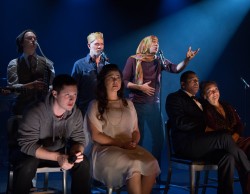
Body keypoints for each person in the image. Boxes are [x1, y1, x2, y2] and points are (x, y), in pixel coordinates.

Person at [165, 70, 250, 194]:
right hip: (187, 144)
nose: (196, 82)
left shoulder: (200, 102)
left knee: (227, 158)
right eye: (192, 80)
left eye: (197, 80)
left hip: (203, 145)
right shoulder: (174, 98)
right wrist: (204, 127)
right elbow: (180, 122)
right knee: (224, 137)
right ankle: (247, 168)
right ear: (183, 84)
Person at [122, 35, 199, 166]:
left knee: (159, 139)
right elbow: (123, 81)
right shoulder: (133, 60)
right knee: (137, 139)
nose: (156, 45)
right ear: (145, 44)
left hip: (153, 105)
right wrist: (140, 87)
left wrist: (186, 60)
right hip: (136, 105)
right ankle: (135, 170)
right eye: (153, 43)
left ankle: (153, 170)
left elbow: (175, 69)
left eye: (157, 43)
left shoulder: (159, 60)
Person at [85, 64, 160, 194]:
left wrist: (134, 142)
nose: (115, 81)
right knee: (134, 166)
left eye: (118, 77)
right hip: (105, 149)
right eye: (111, 77)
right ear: (103, 81)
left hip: (128, 147)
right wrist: (120, 144)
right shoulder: (95, 104)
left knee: (152, 163)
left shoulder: (128, 104)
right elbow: (96, 135)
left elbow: (136, 131)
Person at [12, 74, 91, 194]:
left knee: (83, 162)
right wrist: (58, 157)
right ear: (55, 94)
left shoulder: (76, 113)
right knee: (27, 164)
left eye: (74, 95)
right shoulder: (36, 112)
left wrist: (76, 153)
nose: (72, 99)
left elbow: (79, 139)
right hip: (32, 154)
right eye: (67, 95)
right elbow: (27, 145)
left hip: (58, 152)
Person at [200, 80, 250, 194]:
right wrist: (229, 140)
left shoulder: (227, 105)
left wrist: (236, 135)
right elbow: (212, 131)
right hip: (222, 145)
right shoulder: (205, 110)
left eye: (216, 89)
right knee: (241, 160)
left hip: (237, 140)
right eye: (210, 91)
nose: (214, 93)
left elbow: (239, 124)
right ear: (204, 95)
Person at [7, 29, 55, 116]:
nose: (33, 40)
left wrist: (50, 88)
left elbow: (52, 85)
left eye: (35, 38)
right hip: (21, 112)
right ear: (22, 43)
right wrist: (30, 85)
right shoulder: (14, 63)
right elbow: (11, 89)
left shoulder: (47, 62)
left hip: (41, 112)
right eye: (29, 38)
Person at [71, 32, 109, 117]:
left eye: (102, 44)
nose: (100, 47)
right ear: (89, 46)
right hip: (85, 111)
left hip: (104, 110)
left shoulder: (107, 65)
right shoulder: (79, 64)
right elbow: (73, 89)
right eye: (96, 44)